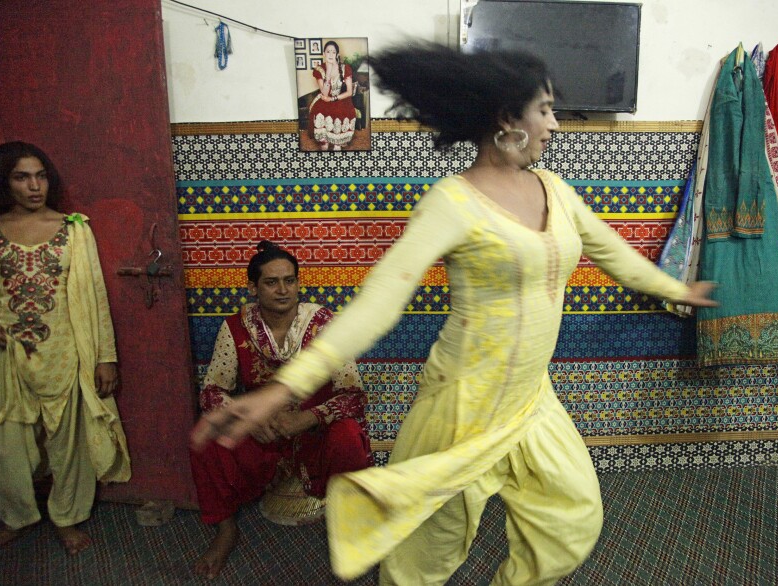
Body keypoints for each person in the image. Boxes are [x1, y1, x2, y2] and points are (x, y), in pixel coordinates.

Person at [193, 43, 717, 585]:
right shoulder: (453, 202)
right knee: (425, 555)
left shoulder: (556, 190)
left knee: (571, 524)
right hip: (462, 405)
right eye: (544, 110)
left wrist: (676, 289)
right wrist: (279, 391)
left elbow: (616, 256)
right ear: (506, 118)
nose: (556, 125)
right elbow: (377, 305)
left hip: (531, 399)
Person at [190, 240, 372, 580]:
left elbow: (354, 394)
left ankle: (354, 526)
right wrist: (250, 418)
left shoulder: (324, 323)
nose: (283, 289)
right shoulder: (235, 327)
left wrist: (308, 417)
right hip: (266, 434)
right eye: (272, 282)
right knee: (209, 436)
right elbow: (213, 391)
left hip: (314, 432)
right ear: (253, 287)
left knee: (349, 436)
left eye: (290, 280)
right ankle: (226, 530)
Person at [0, 141, 130, 554]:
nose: (35, 186)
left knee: (69, 446)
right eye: (22, 177)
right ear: (4, 182)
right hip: (7, 356)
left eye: (41, 175)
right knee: (5, 447)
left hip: (66, 354)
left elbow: (95, 295)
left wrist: (106, 356)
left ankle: (67, 518)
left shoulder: (73, 229)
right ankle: (15, 517)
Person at [309, 40, 358, 151]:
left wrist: (333, 98)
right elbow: (324, 93)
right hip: (324, 99)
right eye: (328, 52)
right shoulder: (319, 69)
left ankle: (337, 144)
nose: (330, 54)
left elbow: (349, 92)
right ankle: (325, 143)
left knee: (337, 146)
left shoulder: (345, 68)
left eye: (333, 52)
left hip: (341, 99)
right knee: (324, 144)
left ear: (337, 54)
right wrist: (329, 72)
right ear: (324, 54)